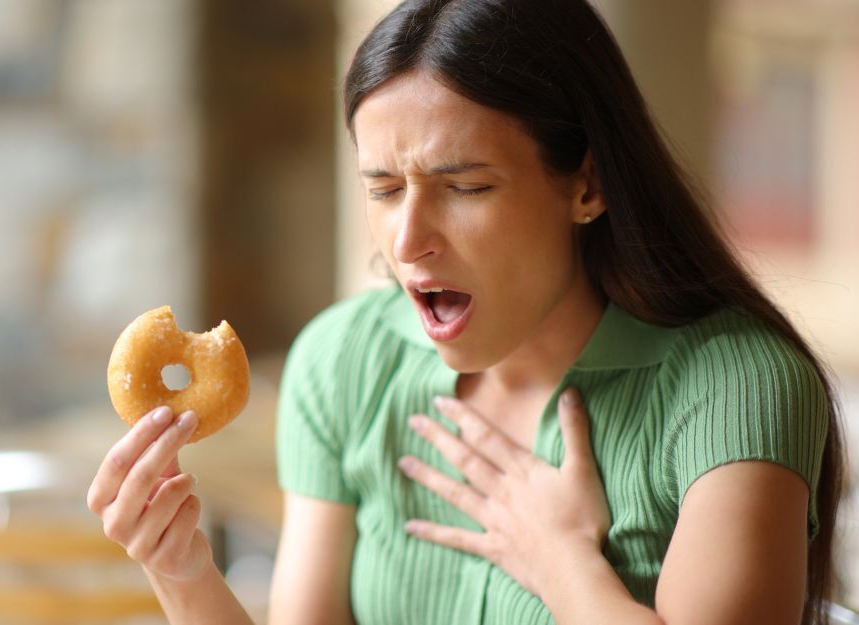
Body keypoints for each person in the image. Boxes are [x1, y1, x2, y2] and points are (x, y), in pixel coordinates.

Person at [85, 0, 843, 623]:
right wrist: (182, 571)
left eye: (466, 187)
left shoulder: (736, 388)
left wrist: (564, 564)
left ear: (587, 183)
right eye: (383, 189)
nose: (408, 240)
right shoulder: (344, 361)